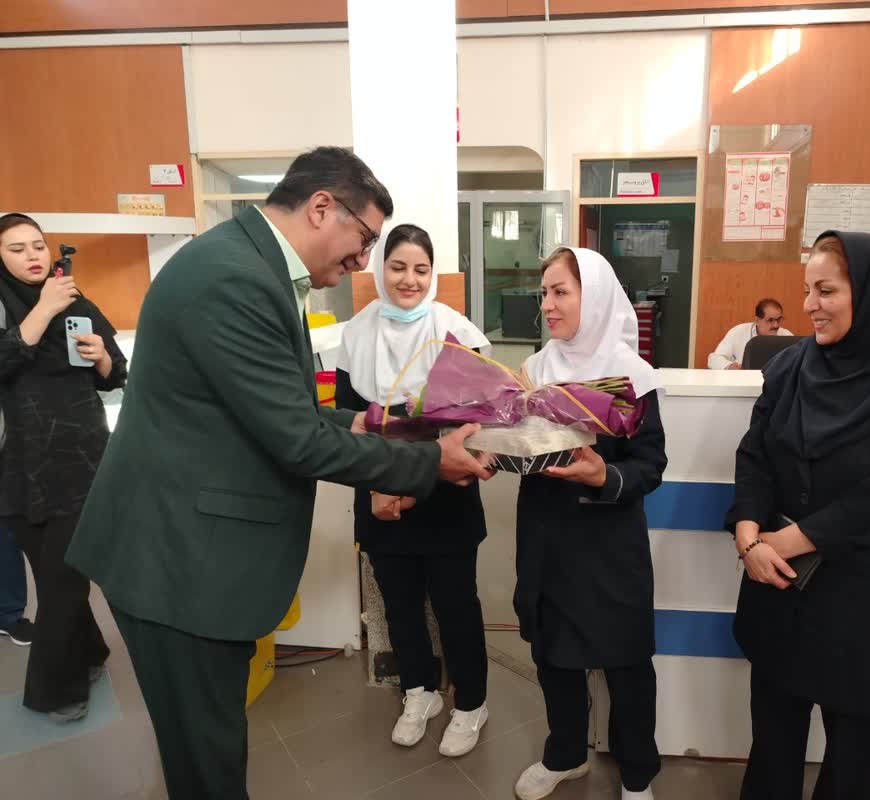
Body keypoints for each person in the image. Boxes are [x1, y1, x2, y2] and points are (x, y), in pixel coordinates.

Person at [66, 148, 492, 800]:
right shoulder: (233, 279)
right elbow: (296, 441)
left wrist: (364, 423)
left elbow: (276, 408)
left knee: (210, 747)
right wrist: (432, 461)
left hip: (189, 553)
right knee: (206, 763)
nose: (362, 261)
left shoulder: (247, 264)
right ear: (322, 207)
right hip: (177, 563)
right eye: (365, 240)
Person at [726, 231, 870, 800]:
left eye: (826, 291)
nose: (809, 306)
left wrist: (782, 543)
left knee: (852, 751)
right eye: (808, 290)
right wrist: (748, 535)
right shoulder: (790, 366)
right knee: (773, 736)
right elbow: (756, 455)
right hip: (780, 582)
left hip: (864, 595)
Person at [512, 247, 665, 800]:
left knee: (626, 664)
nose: (548, 305)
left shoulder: (631, 376)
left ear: (594, 298)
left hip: (609, 541)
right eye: (544, 293)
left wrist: (605, 475)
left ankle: (637, 773)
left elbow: (650, 465)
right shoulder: (534, 370)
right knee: (554, 655)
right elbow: (523, 447)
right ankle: (566, 754)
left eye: (561, 292)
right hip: (546, 535)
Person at [336, 224, 491, 757]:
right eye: (398, 267)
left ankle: (471, 703)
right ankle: (419, 691)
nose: (409, 279)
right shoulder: (356, 334)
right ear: (382, 270)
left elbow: (478, 424)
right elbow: (351, 424)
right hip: (380, 492)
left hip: (446, 491)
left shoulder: (456, 332)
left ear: (433, 273)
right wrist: (379, 487)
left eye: (421, 269)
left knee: (455, 603)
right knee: (399, 603)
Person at [0, 212, 126, 720]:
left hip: (80, 460)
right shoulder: (19, 307)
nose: (33, 256)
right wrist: (43, 310)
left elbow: (117, 372)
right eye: (16, 249)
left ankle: (55, 689)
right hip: (16, 468)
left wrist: (101, 359)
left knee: (66, 578)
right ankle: (91, 651)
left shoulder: (78, 302)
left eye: (38, 245)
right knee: (53, 575)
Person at [708, 298, 793, 369]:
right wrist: (730, 366)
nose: (776, 325)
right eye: (770, 320)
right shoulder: (739, 331)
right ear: (757, 320)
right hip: (744, 381)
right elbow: (714, 359)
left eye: (779, 319)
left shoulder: (787, 336)